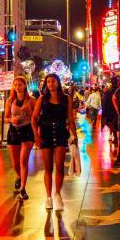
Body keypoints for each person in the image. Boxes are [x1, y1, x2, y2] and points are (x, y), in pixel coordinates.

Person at [31, 73, 77, 210]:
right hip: (45, 133)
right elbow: (34, 119)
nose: (51, 84)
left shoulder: (66, 99)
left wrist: (75, 137)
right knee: (48, 167)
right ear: (46, 84)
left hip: (61, 132)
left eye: (53, 81)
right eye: (49, 81)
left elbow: (70, 119)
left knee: (59, 166)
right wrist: (36, 136)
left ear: (58, 83)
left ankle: (57, 194)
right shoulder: (42, 99)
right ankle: (48, 197)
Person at [4, 76, 36, 200]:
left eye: (20, 85)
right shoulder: (10, 100)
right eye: (15, 85)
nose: (18, 87)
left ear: (25, 86)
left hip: (27, 131)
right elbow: (6, 118)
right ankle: (19, 176)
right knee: (15, 163)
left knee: (23, 161)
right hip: (14, 132)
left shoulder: (31, 100)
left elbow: (37, 117)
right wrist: (12, 119)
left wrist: (30, 113)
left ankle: (23, 188)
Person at [101, 77, 120, 147]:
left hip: (110, 112)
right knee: (118, 127)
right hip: (118, 112)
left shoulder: (108, 92)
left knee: (113, 125)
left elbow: (104, 103)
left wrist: (104, 114)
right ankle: (117, 139)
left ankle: (115, 137)